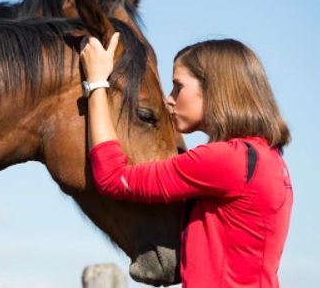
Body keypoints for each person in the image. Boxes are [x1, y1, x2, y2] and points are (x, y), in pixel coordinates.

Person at [80, 33, 293, 288]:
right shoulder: (269, 160)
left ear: (213, 88)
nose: (170, 99)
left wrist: (96, 83)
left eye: (178, 86)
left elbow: (112, 177)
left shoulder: (225, 160)